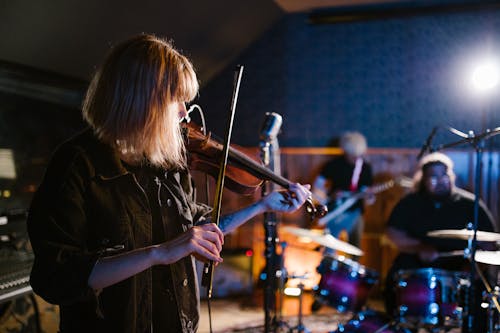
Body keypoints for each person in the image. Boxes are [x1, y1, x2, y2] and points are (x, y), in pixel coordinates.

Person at [26, 34, 311, 333]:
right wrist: (158, 252)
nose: (184, 113)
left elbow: (198, 228)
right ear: (142, 99)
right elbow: (55, 278)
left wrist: (262, 205)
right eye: (176, 99)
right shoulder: (76, 163)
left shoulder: (167, 161)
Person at [384, 152, 497, 331]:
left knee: (482, 289)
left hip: (460, 266)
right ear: (423, 179)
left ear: (451, 176)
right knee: (395, 277)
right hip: (418, 264)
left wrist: (474, 269)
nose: (440, 180)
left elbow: (489, 243)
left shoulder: (470, 203)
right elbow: (392, 232)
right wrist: (418, 247)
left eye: (444, 175)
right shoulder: (411, 202)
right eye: (433, 177)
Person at [312, 131, 374, 247]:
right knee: (329, 246)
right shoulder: (333, 165)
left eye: (358, 155)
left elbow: (370, 198)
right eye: (352, 154)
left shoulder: (365, 168)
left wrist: (369, 196)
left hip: (355, 212)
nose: (355, 158)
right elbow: (317, 187)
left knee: (355, 247)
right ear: (345, 151)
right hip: (334, 211)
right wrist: (328, 197)